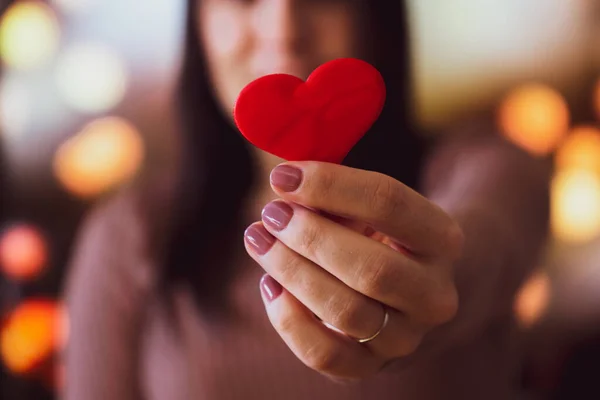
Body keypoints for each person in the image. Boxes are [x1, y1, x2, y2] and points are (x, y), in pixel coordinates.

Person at [63, 0, 551, 399]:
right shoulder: (129, 235)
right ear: (199, 23)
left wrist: (433, 282)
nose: (284, 29)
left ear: (374, 17)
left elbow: (485, 243)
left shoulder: (485, 167)